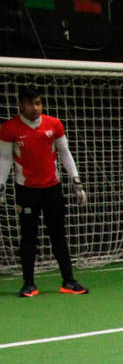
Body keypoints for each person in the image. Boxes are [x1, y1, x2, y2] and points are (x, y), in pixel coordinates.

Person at [0, 85, 88, 297]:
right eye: (31, 104)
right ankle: (29, 283)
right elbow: (4, 159)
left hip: (52, 190)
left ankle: (68, 280)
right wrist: (0, 187)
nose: (35, 107)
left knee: (59, 235)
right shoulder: (9, 129)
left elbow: (65, 153)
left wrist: (76, 182)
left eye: (38, 103)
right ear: (21, 105)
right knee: (28, 237)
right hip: (26, 191)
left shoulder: (54, 124)